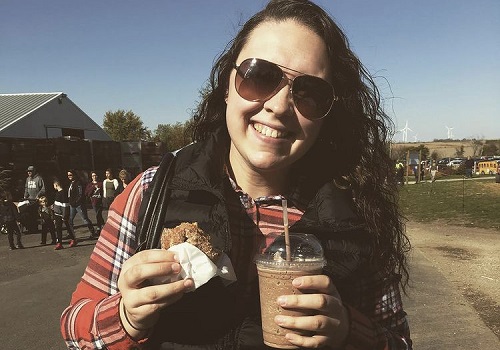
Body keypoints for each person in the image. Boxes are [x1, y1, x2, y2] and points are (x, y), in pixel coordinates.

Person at [61, 1, 412, 349]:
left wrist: (349, 331)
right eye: (260, 77)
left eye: (310, 92)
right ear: (228, 85)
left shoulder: (354, 215)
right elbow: (75, 328)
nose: (279, 106)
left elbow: (398, 342)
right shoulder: (152, 191)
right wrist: (126, 318)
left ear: (327, 114)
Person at [67, 169, 97, 240]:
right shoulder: (71, 183)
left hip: (79, 204)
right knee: (69, 219)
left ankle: (92, 232)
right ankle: (70, 233)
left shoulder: (78, 183)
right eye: (68, 175)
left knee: (85, 218)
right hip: (72, 204)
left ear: (74, 175)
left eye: (70, 175)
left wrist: (77, 201)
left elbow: (80, 194)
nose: (69, 176)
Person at [53, 179, 76, 249]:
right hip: (57, 214)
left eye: (54, 185)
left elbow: (65, 205)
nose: (53, 187)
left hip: (62, 214)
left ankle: (73, 239)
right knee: (58, 228)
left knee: (68, 227)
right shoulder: (57, 193)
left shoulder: (63, 193)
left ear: (56, 185)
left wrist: (64, 215)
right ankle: (59, 243)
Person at [23, 165, 45, 234]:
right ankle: (31, 228)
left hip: (36, 200)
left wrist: (38, 195)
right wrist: (25, 196)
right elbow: (26, 188)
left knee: (36, 214)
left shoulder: (39, 178)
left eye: (30, 171)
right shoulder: (28, 179)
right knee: (30, 214)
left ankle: (35, 228)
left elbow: (43, 189)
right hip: (29, 199)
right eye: (28, 171)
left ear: (34, 171)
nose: (29, 173)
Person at [85, 171, 104, 235]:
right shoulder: (90, 185)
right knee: (98, 214)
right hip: (94, 201)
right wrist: (93, 188)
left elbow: (103, 192)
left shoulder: (101, 183)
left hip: (100, 201)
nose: (94, 177)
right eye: (93, 176)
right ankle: (102, 225)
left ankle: (99, 227)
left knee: (98, 214)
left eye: (95, 175)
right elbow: (87, 193)